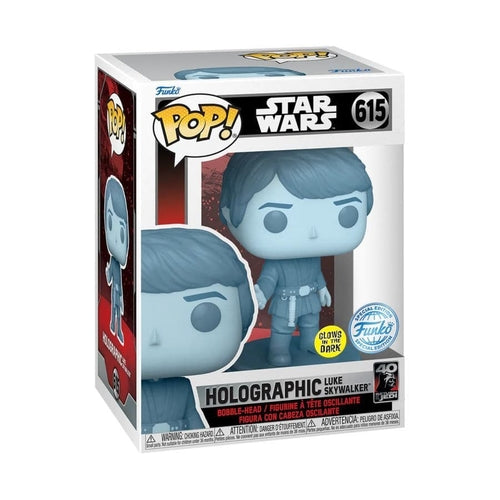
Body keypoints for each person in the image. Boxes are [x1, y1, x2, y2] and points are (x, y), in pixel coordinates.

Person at [220, 148, 373, 366]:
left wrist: (322, 288)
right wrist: (262, 292)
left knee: (311, 324)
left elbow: (317, 273)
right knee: (282, 328)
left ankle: (309, 343)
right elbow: (269, 279)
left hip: (310, 298)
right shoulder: (276, 263)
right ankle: (278, 350)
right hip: (286, 300)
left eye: (346, 215)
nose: (313, 233)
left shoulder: (312, 258)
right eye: (276, 219)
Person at [141, 227, 254, 433]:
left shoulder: (182, 387)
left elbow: (194, 420)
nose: (154, 338)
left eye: (205, 315)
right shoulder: (129, 388)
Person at [104, 176, 129, 346]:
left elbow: (115, 279)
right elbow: (109, 279)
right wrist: (107, 271)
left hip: (118, 293)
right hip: (114, 292)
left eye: (121, 233)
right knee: (114, 309)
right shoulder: (114, 262)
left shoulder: (118, 265)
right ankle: (113, 325)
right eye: (110, 223)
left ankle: (117, 328)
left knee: (117, 309)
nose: (114, 239)